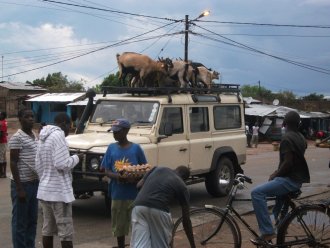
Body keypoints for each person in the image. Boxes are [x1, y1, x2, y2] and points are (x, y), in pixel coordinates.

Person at [251, 111, 310, 244]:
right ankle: (280, 228)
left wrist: (275, 174)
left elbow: (288, 163)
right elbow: (294, 160)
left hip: (289, 180)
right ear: (299, 123)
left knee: (257, 193)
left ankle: (267, 232)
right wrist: (278, 172)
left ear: (284, 123)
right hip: (296, 179)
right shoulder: (301, 137)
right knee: (276, 210)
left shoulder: (287, 138)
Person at [35, 113, 83, 248]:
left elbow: (38, 165)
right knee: (65, 233)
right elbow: (62, 163)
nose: (69, 129)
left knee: (47, 230)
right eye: (69, 126)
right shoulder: (59, 135)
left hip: (45, 191)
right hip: (59, 193)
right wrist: (77, 158)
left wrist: (45, 179)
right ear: (63, 124)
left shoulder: (42, 137)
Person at [101, 118, 147, 248]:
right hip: (117, 194)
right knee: (119, 226)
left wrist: (135, 178)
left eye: (117, 132)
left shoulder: (136, 149)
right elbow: (106, 170)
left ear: (126, 131)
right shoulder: (111, 148)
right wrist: (117, 177)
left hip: (134, 194)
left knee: (136, 226)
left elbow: (144, 170)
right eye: (113, 132)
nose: (115, 134)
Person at [130, 165, 196, 248]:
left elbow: (138, 185)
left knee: (140, 245)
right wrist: (193, 245)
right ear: (184, 179)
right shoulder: (182, 185)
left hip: (138, 207)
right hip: (159, 210)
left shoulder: (157, 168)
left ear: (175, 169)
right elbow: (186, 221)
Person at [9, 109, 39, 248]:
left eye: (32, 116)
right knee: (20, 222)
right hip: (22, 185)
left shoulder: (34, 135)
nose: (31, 119)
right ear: (20, 119)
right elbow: (13, 162)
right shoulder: (17, 137)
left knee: (32, 220)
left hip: (34, 183)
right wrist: (19, 188)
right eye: (27, 117)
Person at [0, 112, 8, 177]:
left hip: (1, 142)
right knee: (4, 157)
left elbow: (1, 134)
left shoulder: (2, 123)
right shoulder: (4, 122)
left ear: (3, 115)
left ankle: (1, 173)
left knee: (1, 158)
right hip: (4, 141)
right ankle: (4, 173)